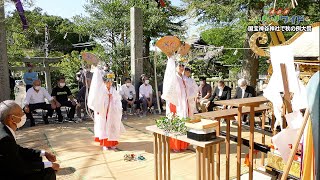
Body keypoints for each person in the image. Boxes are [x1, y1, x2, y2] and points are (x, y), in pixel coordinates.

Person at [0, 100, 60, 180]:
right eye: (21, 113)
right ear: (12, 118)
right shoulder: (5, 138)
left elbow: (18, 149)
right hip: (8, 173)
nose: (23, 115)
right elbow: (19, 167)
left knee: (36, 158)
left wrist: (43, 153)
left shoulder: (3, 129)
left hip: (10, 166)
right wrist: (49, 164)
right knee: (48, 172)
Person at [162, 55, 198, 152]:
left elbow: (191, 90)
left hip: (185, 103)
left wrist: (190, 98)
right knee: (176, 122)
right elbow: (169, 89)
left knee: (184, 122)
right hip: (176, 104)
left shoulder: (184, 78)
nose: (181, 68)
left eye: (182, 66)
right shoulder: (173, 77)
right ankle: (175, 145)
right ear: (175, 67)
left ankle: (183, 144)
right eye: (179, 66)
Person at [87, 69, 125, 150]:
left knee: (112, 126)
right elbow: (98, 100)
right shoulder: (101, 90)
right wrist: (101, 106)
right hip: (103, 111)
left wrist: (112, 100)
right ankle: (105, 144)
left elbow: (117, 99)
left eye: (111, 82)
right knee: (103, 127)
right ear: (104, 82)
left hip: (112, 111)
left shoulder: (113, 89)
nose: (109, 83)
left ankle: (112, 142)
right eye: (108, 82)